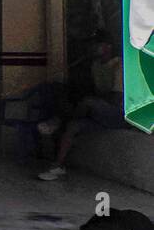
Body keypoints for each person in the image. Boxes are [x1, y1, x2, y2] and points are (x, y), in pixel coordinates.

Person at [37, 35, 126, 181]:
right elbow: (97, 91)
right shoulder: (96, 65)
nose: (94, 48)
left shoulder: (119, 65)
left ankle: (58, 122)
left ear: (108, 46)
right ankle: (57, 166)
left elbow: (116, 98)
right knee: (73, 126)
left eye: (98, 44)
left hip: (118, 114)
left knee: (88, 102)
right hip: (99, 113)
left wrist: (93, 103)